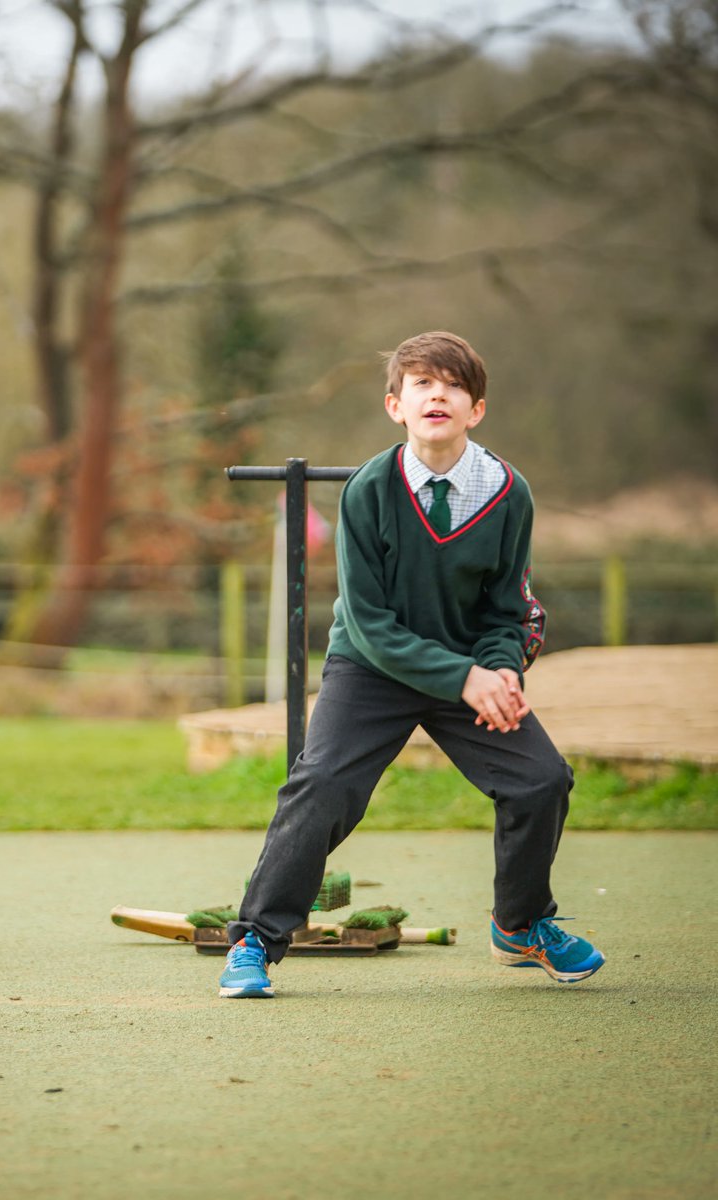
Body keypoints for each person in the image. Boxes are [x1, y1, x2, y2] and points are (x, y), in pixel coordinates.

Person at [220, 331, 604, 998]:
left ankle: (520, 927)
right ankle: (257, 937)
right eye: (422, 384)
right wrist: (467, 677)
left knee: (541, 782)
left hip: (469, 672)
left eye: (452, 385)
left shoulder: (510, 493)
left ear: (475, 409)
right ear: (396, 406)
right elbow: (368, 625)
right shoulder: (368, 491)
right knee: (323, 787)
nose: (438, 394)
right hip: (371, 668)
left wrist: (502, 669)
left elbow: (506, 609)